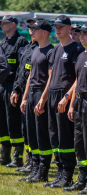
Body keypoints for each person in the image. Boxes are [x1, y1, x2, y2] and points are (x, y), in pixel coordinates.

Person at [42, 15, 84, 188]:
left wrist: (67, 97)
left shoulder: (76, 49)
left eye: (61, 26)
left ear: (69, 28)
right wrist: (43, 98)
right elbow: (51, 77)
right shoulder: (55, 50)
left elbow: (79, 78)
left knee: (65, 138)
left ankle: (67, 175)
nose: (57, 29)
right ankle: (59, 173)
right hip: (52, 94)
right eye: (55, 27)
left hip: (64, 96)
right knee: (54, 136)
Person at [64, 23, 87, 194]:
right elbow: (78, 80)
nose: (82, 36)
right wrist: (71, 104)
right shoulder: (81, 55)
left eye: (86, 34)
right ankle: (82, 178)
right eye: (81, 34)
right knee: (78, 143)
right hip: (78, 101)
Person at [19, 19, 54, 183]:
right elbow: (30, 77)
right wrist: (25, 97)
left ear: (45, 32)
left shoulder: (50, 52)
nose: (31, 31)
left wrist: (42, 98)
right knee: (31, 132)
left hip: (41, 94)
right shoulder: (35, 51)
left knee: (41, 134)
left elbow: (50, 78)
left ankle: (43, 171)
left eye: (35, 29)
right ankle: (34, 168)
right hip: (31, 94)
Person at [9, 17, 40, 170]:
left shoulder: (40, 49)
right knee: (25, 129)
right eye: (30, 28)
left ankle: (34, 160)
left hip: (33, 94)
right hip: (22, 93)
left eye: (35, 28)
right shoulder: (28, 47)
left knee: (33, 129)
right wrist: (16, 89)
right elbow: (21, 72)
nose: (32, 31)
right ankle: (28, 159)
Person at [0, 15, 28, 166]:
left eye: (4, 23)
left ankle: (17, 156)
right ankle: (5, 153)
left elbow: (21, 68)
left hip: (13, 86)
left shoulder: (21, 42)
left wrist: (17, 88)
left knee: (14, 120)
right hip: (2, 85)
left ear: (13, 25)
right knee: (2, 120)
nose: (2, 25)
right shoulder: (3, 43)